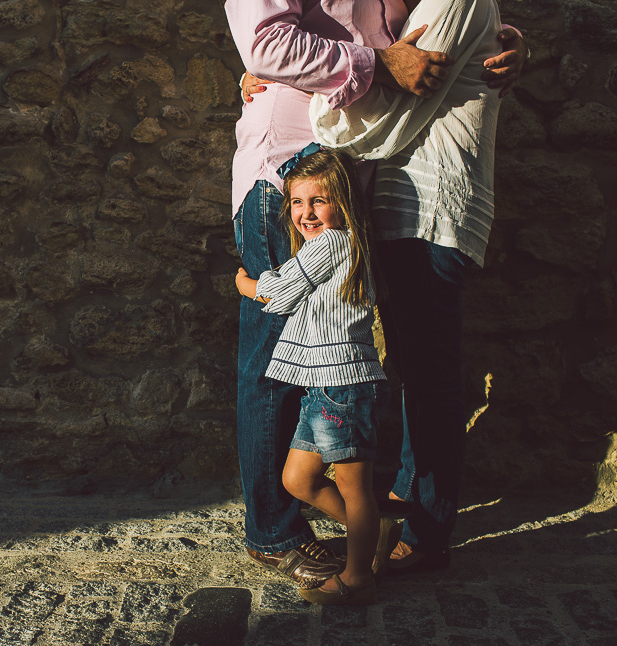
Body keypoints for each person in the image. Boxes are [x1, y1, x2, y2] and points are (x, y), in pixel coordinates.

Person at [223, 0, 526, 585]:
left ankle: (355, 520)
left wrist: (505, 41)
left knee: (324, 352)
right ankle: (274, 530)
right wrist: (379, 64)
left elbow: (441, 27)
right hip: (287, 173)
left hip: (353, 174)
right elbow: (266, 46)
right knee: (273, 359)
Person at [235, 146, 390, 604]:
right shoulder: (331, 247)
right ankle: (373, 531)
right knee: (297, 481)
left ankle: (358, 578)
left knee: (354, 487)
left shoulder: (332, 244)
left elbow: (280, 293)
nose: (305, 213)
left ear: (342, 203)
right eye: (297, 202)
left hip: (341, 387)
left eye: (317, 201)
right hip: (320, 389)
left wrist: (244, 284)